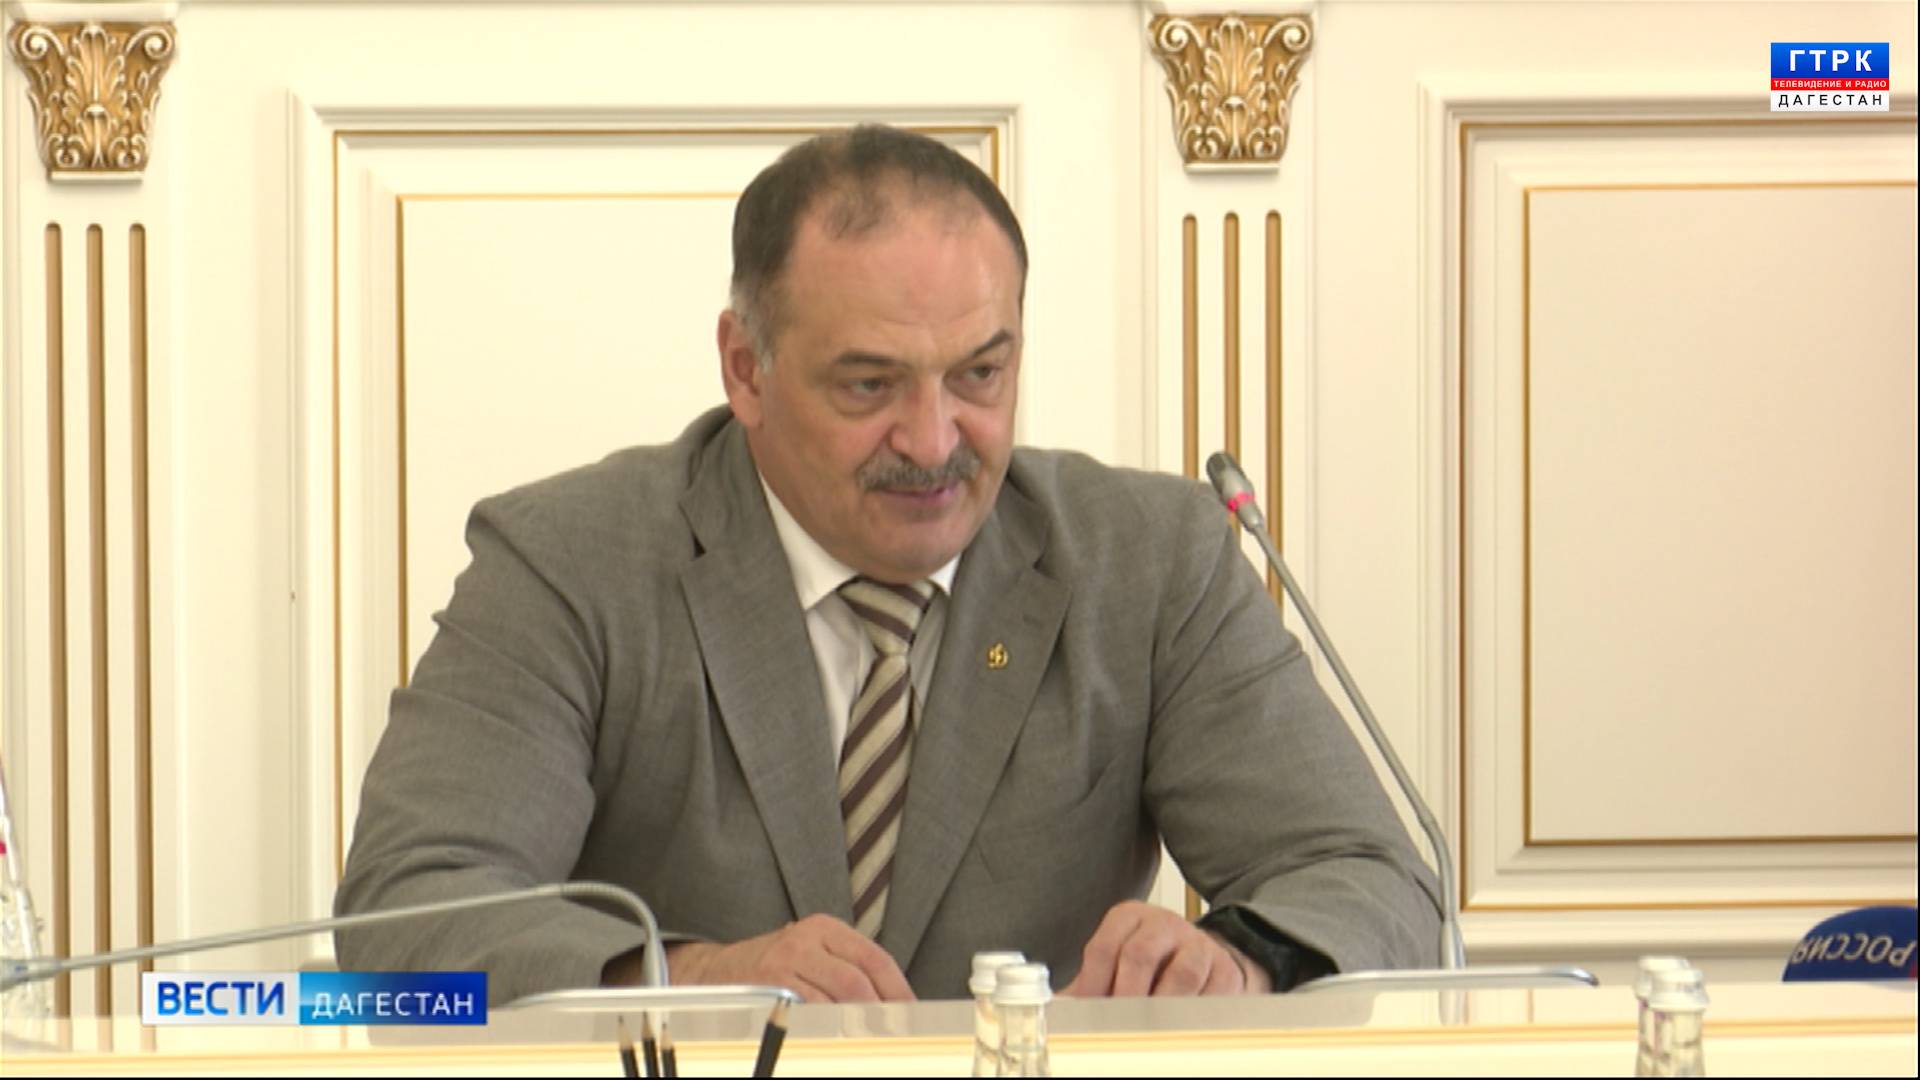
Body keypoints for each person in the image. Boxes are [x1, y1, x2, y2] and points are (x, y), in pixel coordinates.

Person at [335, 125, 1441, 1004]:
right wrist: (688, 980)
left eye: (979, 375)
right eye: (870, 385)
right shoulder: (570, 562)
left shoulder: (1151, 561)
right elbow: (403, 917)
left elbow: (1370, 879)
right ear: (746, 368)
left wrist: (1240, 960)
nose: (933, 439)